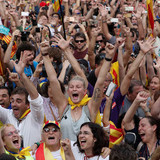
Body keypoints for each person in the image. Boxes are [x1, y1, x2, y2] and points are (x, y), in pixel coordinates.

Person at [41, 34, 116, 141]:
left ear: (85, 91)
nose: (74, 89)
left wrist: (108, 57)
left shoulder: (90, 106)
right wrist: (44, 54)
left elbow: (99, 82)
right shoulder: (64, 106)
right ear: (68, 90)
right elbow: (53, 80)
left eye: (78, 87)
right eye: (71, 87)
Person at [0, 51, 44, 147]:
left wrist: (22, 74)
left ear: (28, 104)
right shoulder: (8, 115)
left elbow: (35, 98)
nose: (14, 104)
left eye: (19, 101)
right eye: (12, 101)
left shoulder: (36, 116)